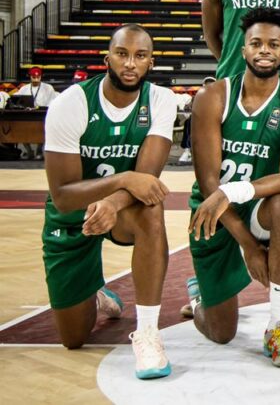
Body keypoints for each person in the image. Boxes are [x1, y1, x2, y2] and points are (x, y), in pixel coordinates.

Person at [41, 24, 177, 378]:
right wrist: (122, 178)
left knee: (152, 207)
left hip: (125, 209)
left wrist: (115, 201)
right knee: (74, 339)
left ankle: (148, 335)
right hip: (73, 216)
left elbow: (146, 182)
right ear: (108, 58)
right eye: (122, 54)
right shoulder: (70, 102)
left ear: (150, 62)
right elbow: (63, 195)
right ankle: (94, 287)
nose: (130, 63)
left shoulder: (161, 100)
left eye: (140, 56)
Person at [186, 7, 280, 368]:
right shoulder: (212, 97)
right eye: (255, 43)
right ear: (242, 50)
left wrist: (234, 191)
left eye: (273, 44)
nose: (264, 50)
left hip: (254, 204)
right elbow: (209, 183)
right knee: (221, 332)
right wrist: (249, 247)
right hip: (213, 214)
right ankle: (200, 298)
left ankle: (278, 326)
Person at [14, 66, 59, 158]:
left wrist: (41, 108)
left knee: (41, 130)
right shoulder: (24, 88)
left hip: (42, 114)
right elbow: (16, 99)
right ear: (30, 77)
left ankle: (39, 150)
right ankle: (29, 150)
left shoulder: (48, 88)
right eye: (34, 77)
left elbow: (52, 101)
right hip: (27, 115)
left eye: (38, 77)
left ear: (41, 76)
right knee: (21, 130)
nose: (36, 79)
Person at [177, 76, 216, 166]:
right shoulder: (197, 97)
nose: (208, 87)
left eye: (211, 85)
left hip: (214, 121)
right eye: (207, 85)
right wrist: (187, 108)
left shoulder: (221, 97)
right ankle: (187, 151)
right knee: (189, 122)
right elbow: (189, 110)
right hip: (200, 121)